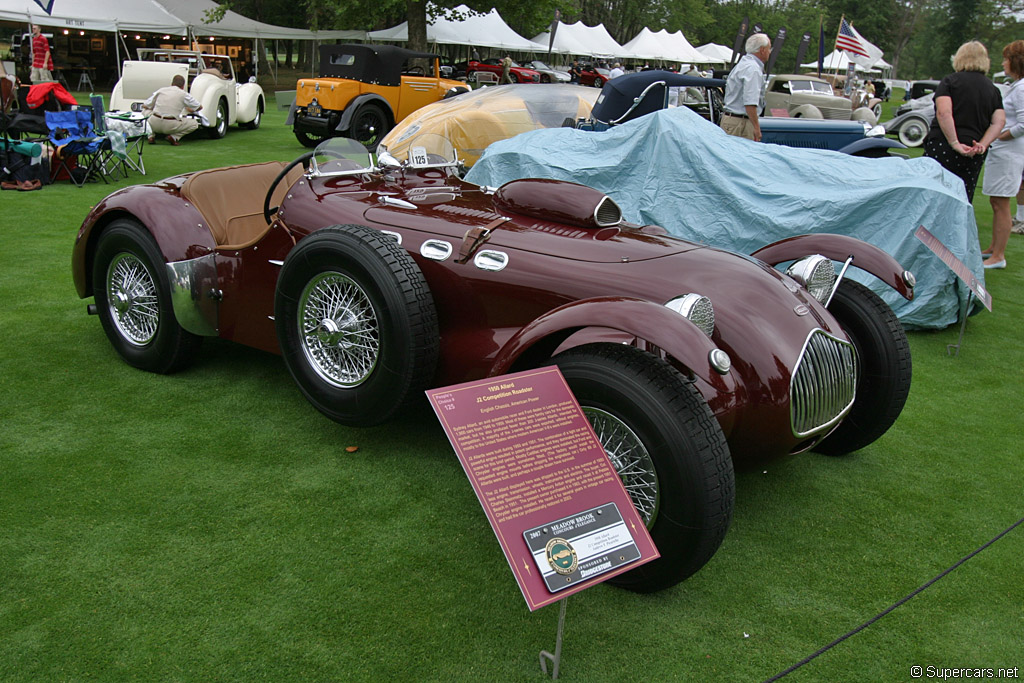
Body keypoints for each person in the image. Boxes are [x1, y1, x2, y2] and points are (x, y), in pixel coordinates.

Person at [922, 41, 1004, 206]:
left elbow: (944, 113)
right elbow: (999, 122)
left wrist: (954, 142)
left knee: (932, 197)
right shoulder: (993, 89)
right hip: (974, 151)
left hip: (943, 146)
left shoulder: (950, 82)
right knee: (962, 199)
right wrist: (983, 144)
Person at [980, 40, 1024, 269]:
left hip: (1010, 153)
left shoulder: (1022, 88)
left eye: (1006, 59)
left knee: (1002, 202)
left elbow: (1023, 124)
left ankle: (999, 256)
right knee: (996, 201)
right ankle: (993, 248)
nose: (1003, 63)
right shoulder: (1016, 86)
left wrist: (999, 136)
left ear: (1016, 62)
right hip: (1003, 152)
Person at [720, 33, 771, 141]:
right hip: (741, 124)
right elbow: (750, 102)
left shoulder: (742, 65)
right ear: (762, 50)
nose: (769, 52)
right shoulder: (753, 69)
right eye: (768, 48)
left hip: (731, 120)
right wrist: (756, 127)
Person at [142, 74, 202, 146]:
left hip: (154, 122)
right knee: (194, 124)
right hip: (171, 126)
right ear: (183, 86)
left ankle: (150, 136)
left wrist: (154, 107)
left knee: (144, 111)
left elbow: (145, 105)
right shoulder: (184, 94)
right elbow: (199, 107)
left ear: (172, 84)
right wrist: (188, 108)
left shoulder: (161, 90)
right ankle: (174, 137)